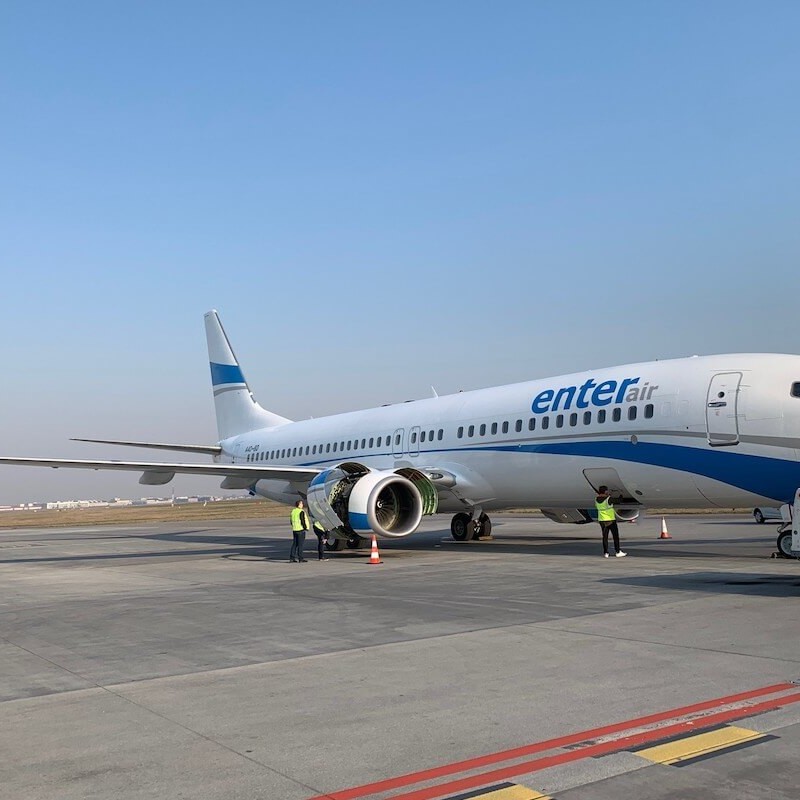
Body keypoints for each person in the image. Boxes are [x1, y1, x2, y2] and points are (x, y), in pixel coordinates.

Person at [595, 485, 627, 558]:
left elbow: (603, 501)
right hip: (610, 520)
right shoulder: (608, 499)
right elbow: (619, 500)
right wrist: (621, 494)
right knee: (615, 536)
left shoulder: (596, 499)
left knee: (605, 537)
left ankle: (606, 553)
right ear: (605, 491)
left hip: (602, 520)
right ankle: (618, 551)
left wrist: (609, 495)